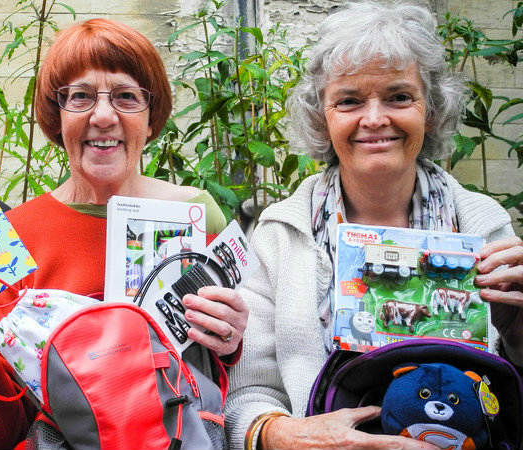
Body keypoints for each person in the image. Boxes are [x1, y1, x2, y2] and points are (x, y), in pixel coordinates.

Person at [0, 18, 249, 450]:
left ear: (150, 113)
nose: (103, 116)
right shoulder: (13, 234)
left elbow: (237, 388)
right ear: (57, 114)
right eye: (80, 97)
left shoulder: (196, 213)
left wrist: (233, 343)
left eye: (125, 96)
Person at [224, 3, 523, 450]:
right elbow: (248, 393)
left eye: (399, 96)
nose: (375, 118)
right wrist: (286, 435)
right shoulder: (281, 233)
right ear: (322, 116)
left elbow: (510, 389)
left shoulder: (481, 224)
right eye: (349, 100)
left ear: (432, 110)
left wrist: (518, 333)